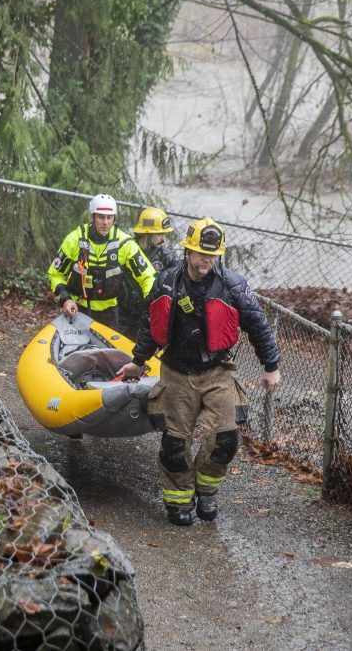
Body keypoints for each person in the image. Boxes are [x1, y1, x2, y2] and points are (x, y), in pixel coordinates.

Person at [116, 218, 282, 526]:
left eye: (212, 255)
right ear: (188, 252)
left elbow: (258, 325)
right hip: (177, 372)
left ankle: (206, 491)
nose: (206, 260)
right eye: (200, 253)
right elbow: (151, 326)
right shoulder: (166, 281)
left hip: (217, 371)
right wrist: (138, 361)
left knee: (226, 440)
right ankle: (179, 500)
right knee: (175, 445)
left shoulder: (233, 286)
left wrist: (271, 366)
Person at [48, 193, 156, 333]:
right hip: (77, 309)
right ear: (92, 217)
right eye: (101, 217)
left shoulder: (125, 244)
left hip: (109, 314)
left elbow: (148, 276)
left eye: (109, 217)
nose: (105, 222)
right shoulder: (75, 239)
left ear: (114, 218)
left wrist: (152, 305)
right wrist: (66, 299)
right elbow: (55, 274)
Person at [133, 206, 178, 273]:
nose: (163, 239)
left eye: (164, 234)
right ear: (147, 233)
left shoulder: (167, 258)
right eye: (160, 234)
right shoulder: (129, 249)